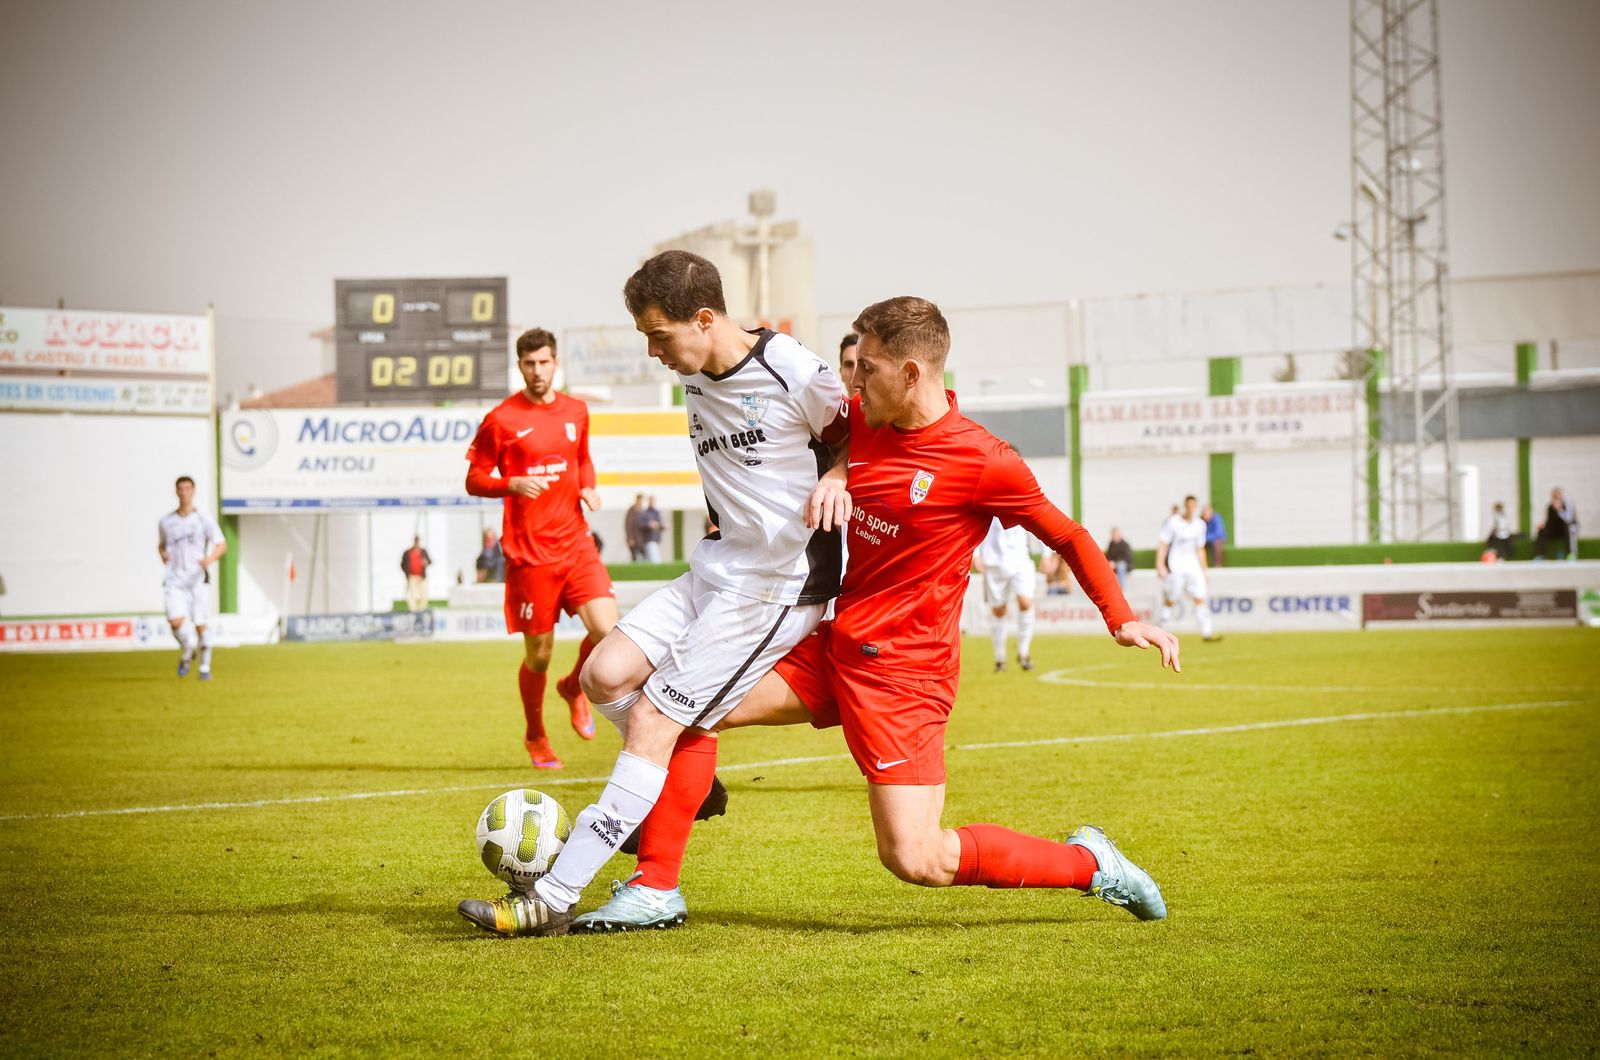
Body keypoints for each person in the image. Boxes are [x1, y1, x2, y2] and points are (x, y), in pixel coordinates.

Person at [556, 296, 1179, 935]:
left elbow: (1069, 535)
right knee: (682, 705)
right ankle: (655, 886)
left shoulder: (984, 461)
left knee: (916, 857)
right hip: (834, 645)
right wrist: (836, 471)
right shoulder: (865, 417)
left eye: (868, 369)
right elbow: (822, 434)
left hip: (904, 679)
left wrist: (1120, 616)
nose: (852, 382)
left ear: (912, 373)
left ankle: (1090, 863)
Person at [456, 249, 849, 937]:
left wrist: (840, 476)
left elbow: (864, 433)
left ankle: (554, 895)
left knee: (652, 721)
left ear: (703, 319)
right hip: (716, 568)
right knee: (603, 672)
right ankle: (672, 771)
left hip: (776, 587)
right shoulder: (697, 372)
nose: (652, 351)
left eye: (657, 334)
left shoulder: (791, 368)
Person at [465, 327, 619, 770]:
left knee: (609, 635)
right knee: (540, 655)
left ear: (556, 363)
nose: (538, 371)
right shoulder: (501, 419)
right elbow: (474, 479)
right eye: (530, 363)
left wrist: (588, 488)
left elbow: (583, 460)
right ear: (520, 366)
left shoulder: (577, 410)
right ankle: (536, 735)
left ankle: (573, 687)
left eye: (545, 362)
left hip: (576, 543)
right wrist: (509, 482)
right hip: (530, 554)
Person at [158, 475, 226, 680]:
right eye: (181, 488)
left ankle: (205, 669)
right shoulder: (166, 522)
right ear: (176, 491)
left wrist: (210, 558)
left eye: (188, 488)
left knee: (200, 624)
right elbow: (161, 545)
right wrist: (162, 554)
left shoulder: (204, 519)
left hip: (197, 579)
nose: (184, 492)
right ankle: (188, 650)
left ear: (193, 491)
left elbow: (221, 544)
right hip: (175, 579)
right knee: (176, 622)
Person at [972, 516, 1037, 672]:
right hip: (994, 561)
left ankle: (1023, 651)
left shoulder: (1020, 495)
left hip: (1021, 559)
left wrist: (1047, 554)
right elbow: (974, 522)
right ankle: (1000, 658)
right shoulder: (985, 497)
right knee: (998, 610)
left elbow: (1036, 518)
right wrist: (975, 554)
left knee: (1025, 602)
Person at [1157, 496, 1219, 642]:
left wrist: (1204, 570)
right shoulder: (1174, 522)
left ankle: (1207, 632)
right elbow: (1163, 544)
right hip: (1176, 565)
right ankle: (1161, 628)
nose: (1191, 509)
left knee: (1200, 596)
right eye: (1189, 506)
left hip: (1193, 566)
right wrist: (1160, 565)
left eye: (1193, 506)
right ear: (1185, 506)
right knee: (1172, 597)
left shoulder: (1200, 525)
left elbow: (1200, 549)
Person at [1536, 488, 1578, 561]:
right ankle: (1540, 555)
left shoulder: (1567, 504)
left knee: (1570, 528)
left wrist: (1560, 510)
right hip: (1555, 530)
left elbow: (1569, 520)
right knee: (1541, 531)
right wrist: (1543, 525)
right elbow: (1549, 521)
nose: (1556, 499)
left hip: (1566, 529)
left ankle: (1571, 554)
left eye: (1558, 497)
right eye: (1554, 497)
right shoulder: (1550, 507)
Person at [401, 535, 431, 612]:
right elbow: (403, 564)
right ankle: (413, 610)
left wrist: (425, 562)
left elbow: (429, 561)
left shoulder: (423, 551)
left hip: (421, 576)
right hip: (412, 576)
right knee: (412, 595)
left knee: (424, 594)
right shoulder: (408, 552)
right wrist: (407, 573)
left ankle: (421, 610)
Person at [639, 496, 664, 563]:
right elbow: (640, 524)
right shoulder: (644, 513)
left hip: (655, 538)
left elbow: (660, 523)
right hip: (648, 539)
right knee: (654, 559)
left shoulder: (656, 513)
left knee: (651, 558)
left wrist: (661, 526)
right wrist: (649, 524)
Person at [624, 494, 647, 562]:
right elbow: (628, 525)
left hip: (641, 538)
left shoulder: (642, 510)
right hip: (633, 537)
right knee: (634, 556)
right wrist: (630, 538)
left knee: (643, 555)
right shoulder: (632, 510)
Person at [1202, 503, 1226, 568]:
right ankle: (1201, 565)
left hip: (1217, 539)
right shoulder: (1201, 520)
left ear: (1211, 513)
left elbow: (1218, 534)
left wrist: (1205, 538)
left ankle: (1218, 565)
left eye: (1206, 514)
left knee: (1217, 544)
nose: (1205, 516)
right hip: (1206, 539)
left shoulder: (1217, 519)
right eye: (1204, 514)